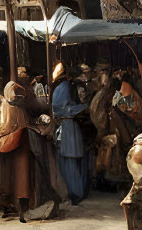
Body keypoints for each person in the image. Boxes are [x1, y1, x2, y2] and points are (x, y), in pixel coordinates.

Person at [0, 81, 38, 221]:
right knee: (21, 181)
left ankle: (10, 205)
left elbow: (3, 128)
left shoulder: (6, 107)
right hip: (22, 147)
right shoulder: (20, 108)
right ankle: (19, 207)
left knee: (8, 178)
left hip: (12, 149)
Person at [51, 62, 90, 205]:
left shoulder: (69, 87)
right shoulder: (64, 88)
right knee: (69, 161)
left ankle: (76, 192)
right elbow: (63, 109)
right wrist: (84, 107)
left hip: (71, 127)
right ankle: (73, 193)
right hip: (67, 128)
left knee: (72, 161)